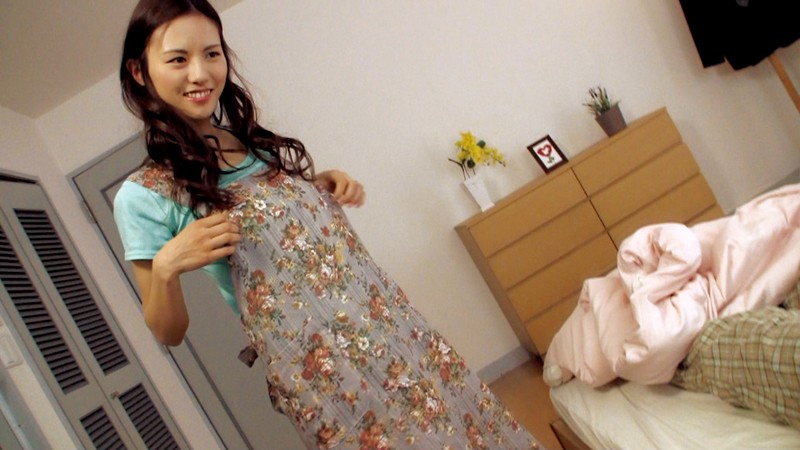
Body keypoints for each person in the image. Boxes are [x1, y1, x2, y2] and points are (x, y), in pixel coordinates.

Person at [114, 0, 543, 448]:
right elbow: (168, 332)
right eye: (178, 59)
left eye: (212, 53)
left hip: (390, 330)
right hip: (331, 377)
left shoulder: (249, 142)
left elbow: (277, 234)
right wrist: (166, 267)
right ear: (139, 71)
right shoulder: (144, 195)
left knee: (468, 428)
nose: (200, 73)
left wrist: (318, 188)